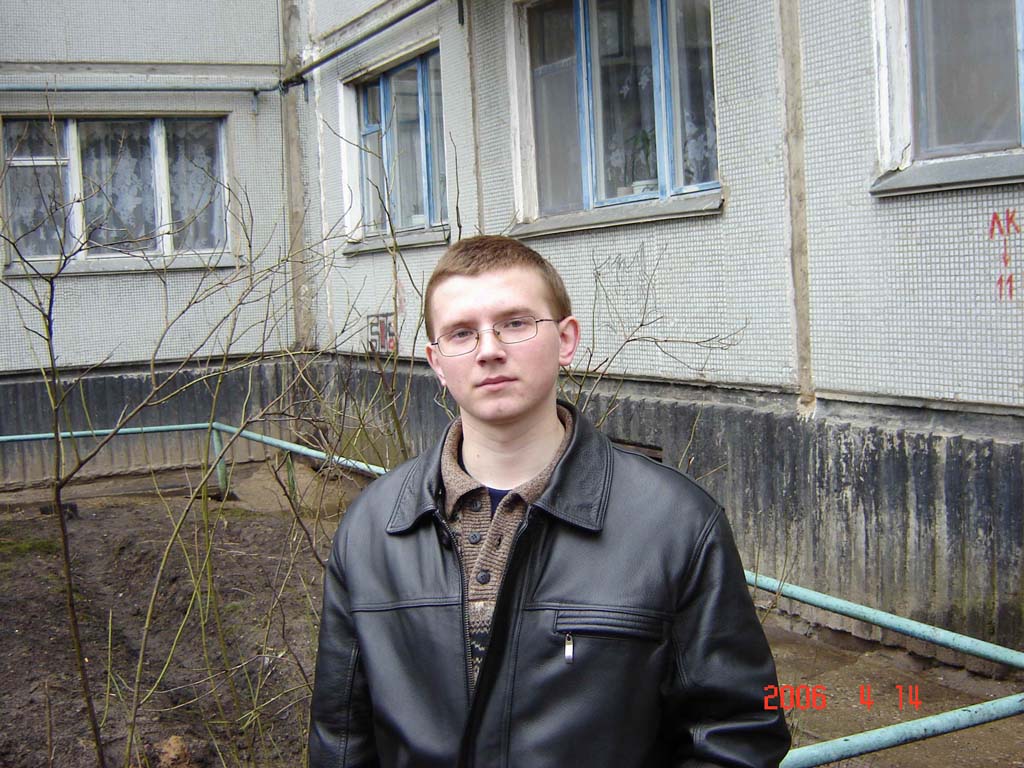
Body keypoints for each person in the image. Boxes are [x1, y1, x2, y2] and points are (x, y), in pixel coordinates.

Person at [308, 235, 790, 767]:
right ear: (437, 362)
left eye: (515, 323)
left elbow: (738, 733)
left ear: (566, 340)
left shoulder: (676, 525)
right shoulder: (372, 528)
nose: (489, 349)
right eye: (462, 333)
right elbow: (341, 737)